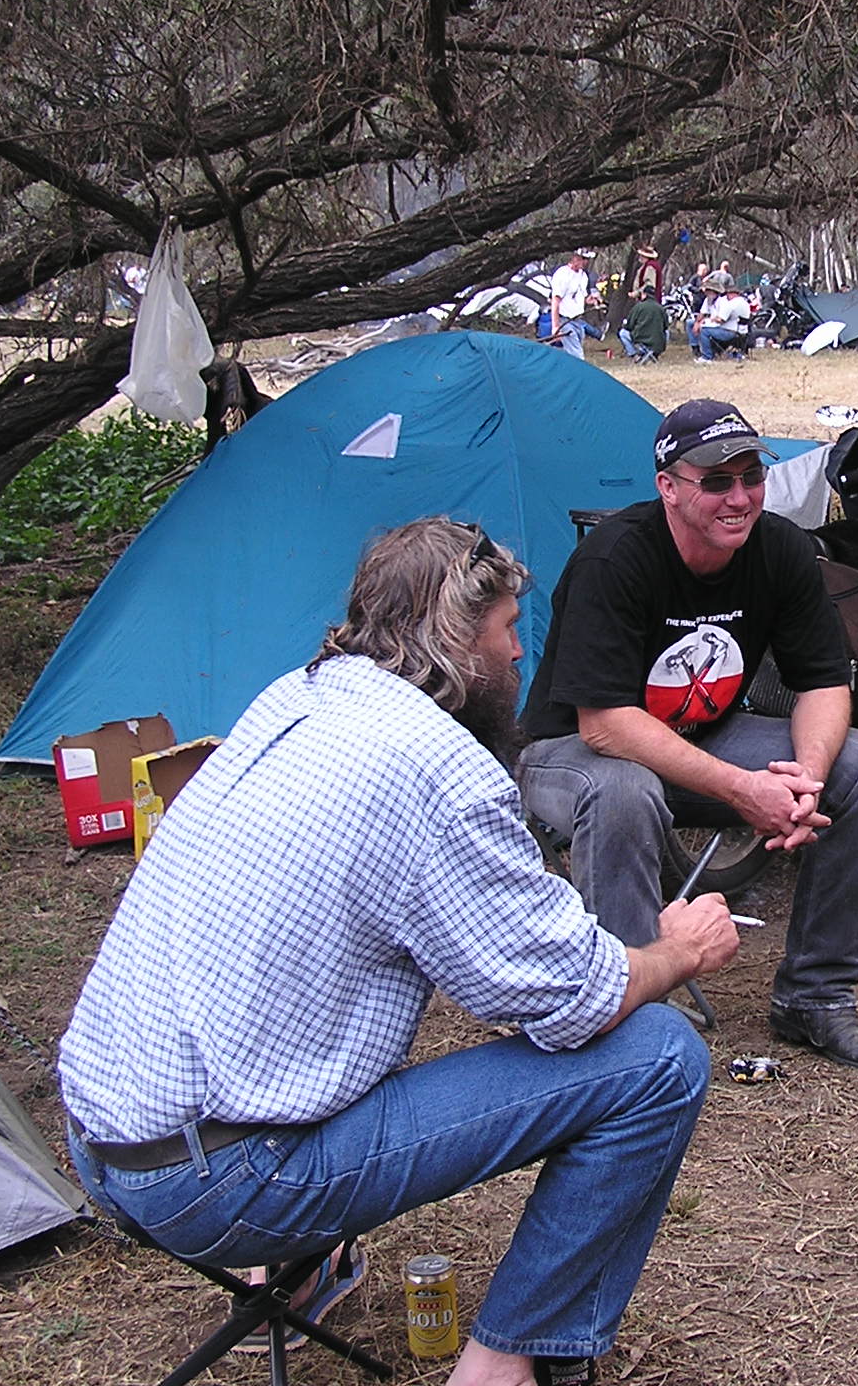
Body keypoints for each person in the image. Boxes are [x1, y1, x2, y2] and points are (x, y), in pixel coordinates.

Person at [59, 518, 739, 1386]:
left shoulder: (295, 696)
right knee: (659, 1057)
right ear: (457, 638)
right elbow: (580, 999)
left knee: (317, 1000)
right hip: (218, 1182)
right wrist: (677, 950)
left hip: (102, 1138)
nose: (520, 652)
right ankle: (503, 1366)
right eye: (507, 629)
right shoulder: (436, 767)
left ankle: (301, 1273)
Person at [518, 400, 858, 1069]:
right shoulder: (616, 559)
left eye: (752, 477)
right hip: (569, 753)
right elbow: (604, 725)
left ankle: (815, 997)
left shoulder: (781, 548)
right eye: (717, 481)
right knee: (623, 789)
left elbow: (823, 683)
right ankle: (635, 1016)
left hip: (697, 741)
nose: (740, 498)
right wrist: (744, 790)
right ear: (668, 487)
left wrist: (805, 782)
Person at [690, 275, 750, 361]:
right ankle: (697, 348)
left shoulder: (728, 303)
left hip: (729, 331)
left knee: (704, 331)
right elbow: (703, 314)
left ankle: (707, 357)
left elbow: (720, 320)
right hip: (733, 330)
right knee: (691, 323)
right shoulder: (742, 302)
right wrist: (698, 322)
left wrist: (705, 321)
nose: (705, 292)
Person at [548, 249, 593, 358]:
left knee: (570, 354)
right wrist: (555, 326)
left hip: (578, 320)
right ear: (574, 258)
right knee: (577, 355)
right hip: (565, 321)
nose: (585, 262)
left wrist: (592, 300)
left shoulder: (583, 276)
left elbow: (582, 298)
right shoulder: (563, 274)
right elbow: (555, 301)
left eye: (587, 259)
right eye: (583, 259)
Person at [619, 292, 669, 362]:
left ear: (645, 295)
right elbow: (666, 326)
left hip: (640, 341)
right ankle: (655, 354)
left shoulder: (638, 307)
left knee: (622, 333)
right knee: (667, 332)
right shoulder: (660, 308)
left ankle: (634, 354)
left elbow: (629, 326)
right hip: (657, 344)